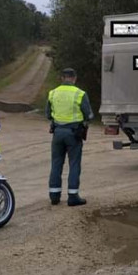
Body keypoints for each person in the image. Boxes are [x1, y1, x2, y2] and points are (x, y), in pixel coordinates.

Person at [45, 68, 93, 206]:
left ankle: (54, 196)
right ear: (74, 78)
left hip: (57, 132)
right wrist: (84, 122)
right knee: (74, 164)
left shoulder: (52, 93)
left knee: (56, 163)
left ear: (62, 78)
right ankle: (73, 196)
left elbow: (48, 114)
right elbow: (89, 115)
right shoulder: (80, 93)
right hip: (73, 133)